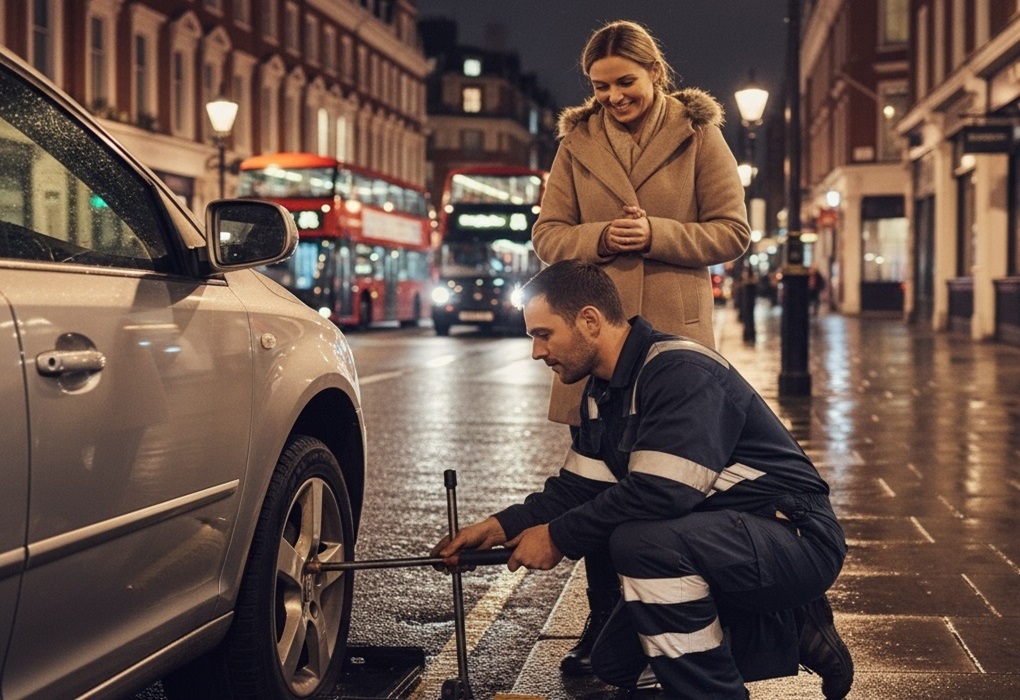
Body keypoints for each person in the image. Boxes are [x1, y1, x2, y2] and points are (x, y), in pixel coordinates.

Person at [434, 261, 853, 699]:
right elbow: (578, 488)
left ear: (590, 321)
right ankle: (793, 626)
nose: (537, 352)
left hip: (795, 534)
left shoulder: (679, 372)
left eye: (544, 334)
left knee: (642, 545)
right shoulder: (602, 391)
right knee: (616, 663)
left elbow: (660, 493)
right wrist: (500, 526)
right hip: (725, 538)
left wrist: (557, 537)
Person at [530, 19, 752, 675]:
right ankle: (605, 628)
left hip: (672, 347)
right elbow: (548, 235)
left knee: (671, 493)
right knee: (597, 490)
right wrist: (601, 239)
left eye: (625, 82)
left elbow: (732, 231)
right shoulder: (576, 142)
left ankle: (670, 626)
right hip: (592, 342)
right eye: (600, 86)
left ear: (655, 74)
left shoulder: (698, 132)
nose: (612, 96)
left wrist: (655, 233)